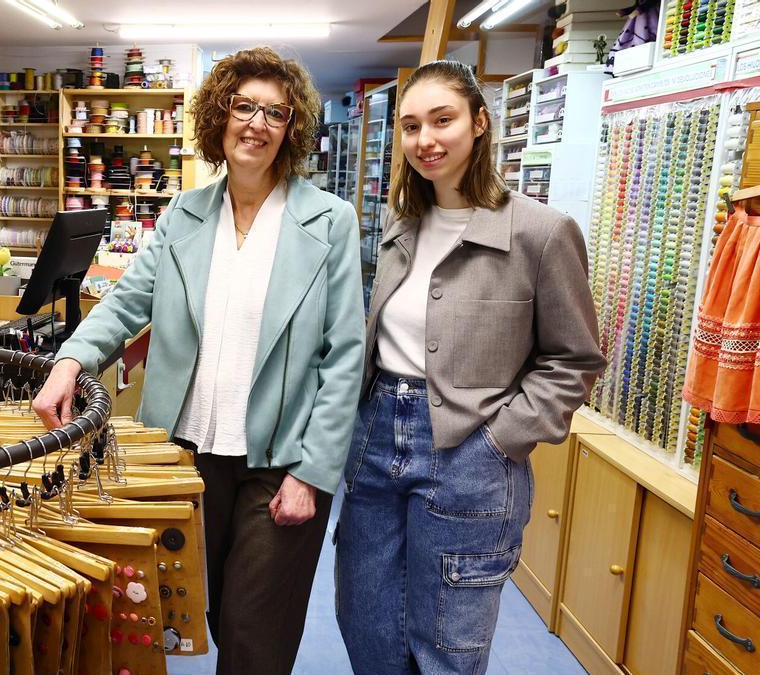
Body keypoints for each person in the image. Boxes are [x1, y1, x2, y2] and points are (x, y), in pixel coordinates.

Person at [32, 46, 365, 674]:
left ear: (291, 130)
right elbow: (129, 301)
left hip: (280, 460)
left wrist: (314, 473)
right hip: (188, 452)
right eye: (245, 107)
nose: (257, 124)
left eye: (276, 113)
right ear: (221, 115)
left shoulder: (330, 221)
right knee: (205, 610)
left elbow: (344, 353)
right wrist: (70, 360)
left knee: (254, 631)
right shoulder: (184, 215)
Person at [334, 60, 607, 674]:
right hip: (376, 443)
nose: (425, 140)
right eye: (410, 126)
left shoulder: (540, 232)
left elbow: (575, 359)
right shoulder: (402, 223)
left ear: (480, 124)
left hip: (469, 456)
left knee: (446, 645)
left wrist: (500, 439)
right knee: (366, 625)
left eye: (443, 120)